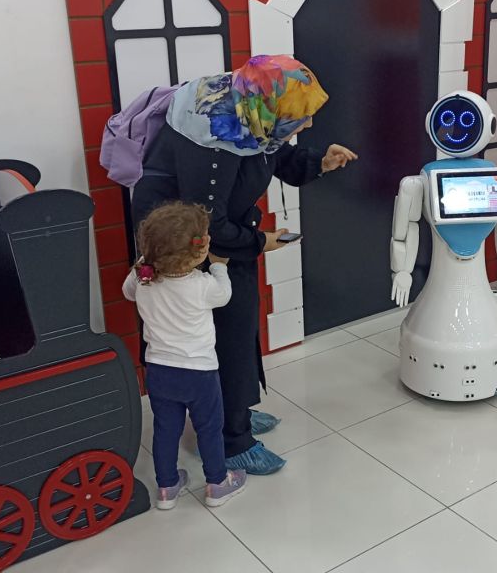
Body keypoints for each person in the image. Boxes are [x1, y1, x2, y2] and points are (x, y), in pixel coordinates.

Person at [131, 55, 357, 475]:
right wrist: (260, 242)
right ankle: (229, 439)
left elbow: (272, 153)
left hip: (216, 232)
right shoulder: (213, 138)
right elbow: (209, 225)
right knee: (225, 334)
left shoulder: (251, 112)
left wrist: (318, 161)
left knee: (239, 323)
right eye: (300, 117)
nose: (307, 124)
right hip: (186, 245)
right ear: (267, 108)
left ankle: (232, 412)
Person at [122, 202, 246, 509]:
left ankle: (166, 488)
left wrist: (146, 259)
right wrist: (219, 266)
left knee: (166, 430)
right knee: (209, 429)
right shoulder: (203, 286)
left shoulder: (143, 279)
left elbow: (127, 290)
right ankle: (217, 483)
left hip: (159, 371)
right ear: (199, 250)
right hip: (199, 373)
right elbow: (225, 294)